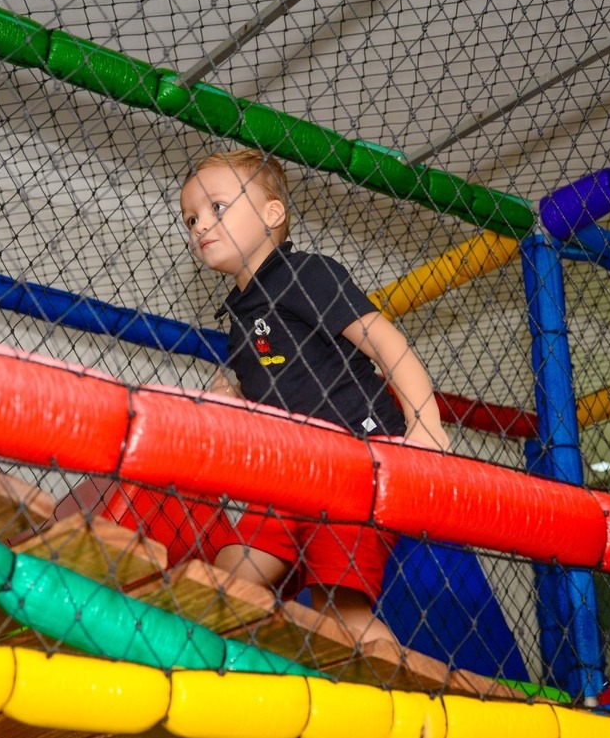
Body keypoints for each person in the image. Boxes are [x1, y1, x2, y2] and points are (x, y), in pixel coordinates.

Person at [179, 148, 448, 644]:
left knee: (340, 614)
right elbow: (282, 391)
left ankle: (397, 691)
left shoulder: (304, 274)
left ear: (272, 213)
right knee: (230, 575)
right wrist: (237, 397)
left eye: (217, 207)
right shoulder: (241, 320)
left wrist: (425, 423)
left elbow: (385, 343)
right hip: (294, 472)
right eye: (190, 218)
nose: (200, 226)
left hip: (357, 461)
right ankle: (212, 653)